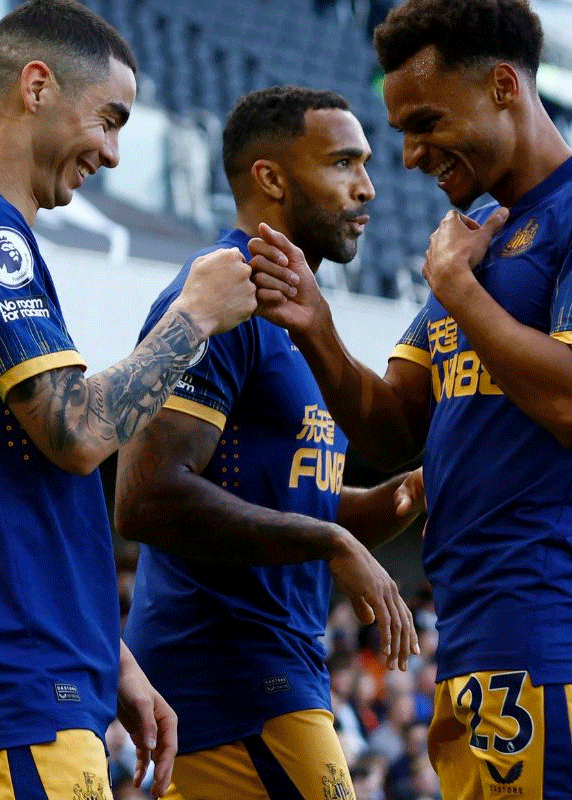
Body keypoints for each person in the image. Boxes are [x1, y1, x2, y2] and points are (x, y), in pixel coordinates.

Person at [248, 0, 572, 797]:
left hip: (558, 623)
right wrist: (316, 327)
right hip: (483, 631)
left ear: (505, 87)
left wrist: (456, 288)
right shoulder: (477, 231)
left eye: (424, 121)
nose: (410, 155)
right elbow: (391, 430)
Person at [0, 1, 257, 798]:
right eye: (108, 120)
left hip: (23, 681)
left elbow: (12, 475)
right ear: (37, 85)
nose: (113, 154)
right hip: (14, 686)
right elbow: (77, 434)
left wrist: (108, 654)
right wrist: (195, 315)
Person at [115, 85, 420, 800]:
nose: (367, 187)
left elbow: (296, 499)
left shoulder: (299, 316)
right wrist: (331, 544)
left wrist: (416, 490)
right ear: (272, 179)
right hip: (232, 680)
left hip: (270, 677)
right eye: (344, 163)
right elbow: (145, 496)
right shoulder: (218, 297)